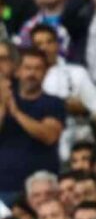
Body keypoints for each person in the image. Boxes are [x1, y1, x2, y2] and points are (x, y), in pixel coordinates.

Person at [0, 47, 65, 205]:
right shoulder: (5, 99)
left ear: (46, 72)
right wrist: (3, 104)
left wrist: (16, 113)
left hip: (41, 189)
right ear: (17, 71)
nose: (32, 73)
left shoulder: (54, 103)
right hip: (3, 186)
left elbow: (49, 136)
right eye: (27, 68)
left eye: (38, 69)